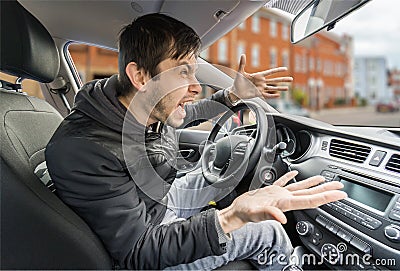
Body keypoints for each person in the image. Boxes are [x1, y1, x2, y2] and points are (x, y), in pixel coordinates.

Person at [45, 13, 347, 270]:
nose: (195, 87)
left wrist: (232, 95)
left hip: (158, 203)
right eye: (183, 73)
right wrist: (232, 217)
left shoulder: (141, 107)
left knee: (218, 175)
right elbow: (137, 251)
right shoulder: (85, 149)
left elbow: (185, 115)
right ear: (139, 76)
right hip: (149, 244)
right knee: (267, 232)